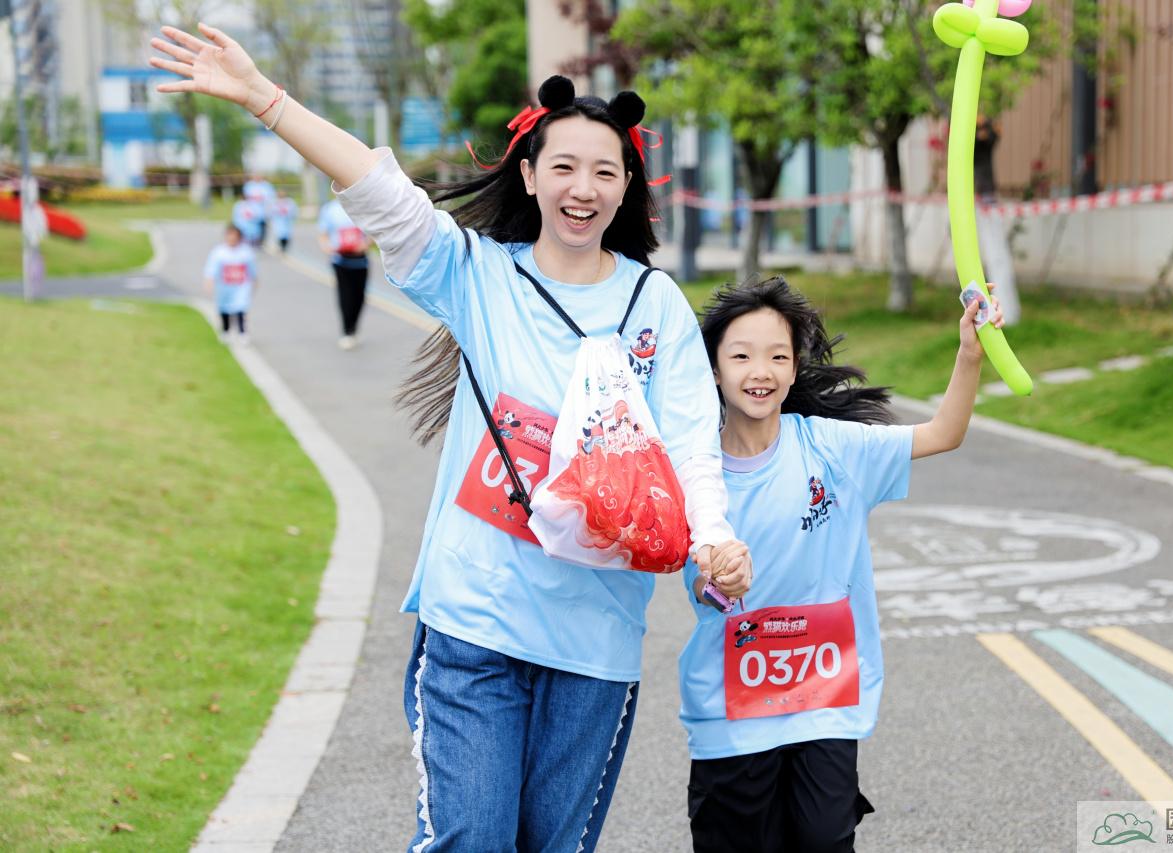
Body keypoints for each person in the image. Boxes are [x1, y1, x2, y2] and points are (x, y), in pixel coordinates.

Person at [150, 23, 747, 853]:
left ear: (627, 188)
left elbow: (690, 445)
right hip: (477, 619)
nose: (583, 187)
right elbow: (380, 190)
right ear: (530, 174)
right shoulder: (477, 276)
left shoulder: (660, 307)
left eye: (605, 171)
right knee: (470, 838)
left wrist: (713, 537)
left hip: (596, 639)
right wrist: (265, 99)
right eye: (564, 166)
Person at [679, 276, 1003, 853]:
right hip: (732, 712)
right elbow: (702, 588)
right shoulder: (694, 471)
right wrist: (719, 581)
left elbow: (943, 433)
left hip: (823, 700)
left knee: (825, 839)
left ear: (795, 369)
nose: (761, 371)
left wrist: (970, 353)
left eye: (778, 356)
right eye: (742, 356)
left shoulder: (832, 448)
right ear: (715, 369)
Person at [317, 195, 370, 350]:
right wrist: (326, 247)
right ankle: (347, 331)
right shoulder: (330, 209)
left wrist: (365, 244)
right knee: (345, 294)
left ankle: (354, 327)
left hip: (360, 260)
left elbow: (373, 231)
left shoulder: (362, 206)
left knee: (359, 296)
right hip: (340, 260)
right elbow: (323, 233)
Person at [203, 222, 257, 344]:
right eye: (229, 235)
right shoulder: (219, 252)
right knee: (224, 309)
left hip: (241, 287)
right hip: (224, 287)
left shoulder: (246, 252)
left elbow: (252, 271)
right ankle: (226, 330)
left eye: (235, 236)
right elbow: (211, 270)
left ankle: (242, 332)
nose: (232, 238)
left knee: (241, 308)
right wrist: (209, 282)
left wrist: (254, 284)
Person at [242, 172, 276, 243]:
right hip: (252, 212)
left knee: (263, 229)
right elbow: (245, 197)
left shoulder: (266, 186)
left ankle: (261, 241)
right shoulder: (249, 185)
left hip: (263, 212)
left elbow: (271, 198)